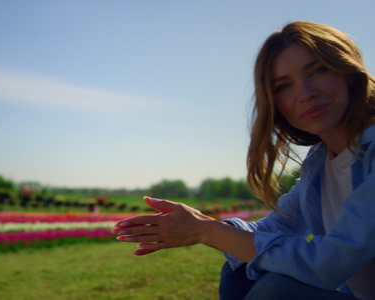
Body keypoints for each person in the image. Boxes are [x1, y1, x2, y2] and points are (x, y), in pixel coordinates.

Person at [112, 21, 375, 300]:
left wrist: (207, 231)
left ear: (347, 72)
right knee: (240, 270)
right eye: (285, 85)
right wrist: (198, 222)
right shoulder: (319, 162)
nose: (305, 94)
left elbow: (330, 262)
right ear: (274, 102)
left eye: (318, 70)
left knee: (276, 292)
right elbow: (274, 227)